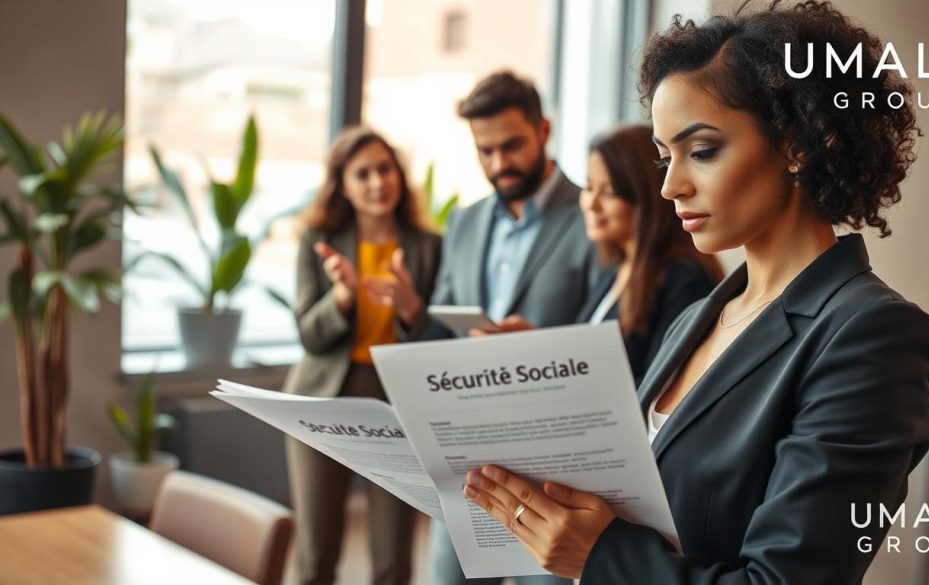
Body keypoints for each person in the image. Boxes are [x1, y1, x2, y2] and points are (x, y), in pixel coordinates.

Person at [458, 2, 929, 584]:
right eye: (665, 157)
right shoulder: (696, 318)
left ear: (796, 147)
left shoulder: (872, 335)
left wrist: (601, 558)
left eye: (703, 151)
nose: (670, 185)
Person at [404, 71, 594, 585]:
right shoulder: (463, 224)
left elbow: (613, 338)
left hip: (558, 472)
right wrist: (410, 314)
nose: (498, 164)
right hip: (470, 463)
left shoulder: (593, 215)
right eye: (484, 151)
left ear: (544, 130)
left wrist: (536, 350)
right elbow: (441, 338)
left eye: (511, 146)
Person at [283, 126, 441, 585]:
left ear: (399, 174)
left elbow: (437, 342)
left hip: (398, 403)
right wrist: (342, 296)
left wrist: (411, 307)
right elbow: (309, 336)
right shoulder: (319, 240)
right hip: (324, 399)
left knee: (393, 557)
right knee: (316, 555)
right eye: (363, 174)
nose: (377, 182)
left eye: (385, 169)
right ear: (343, 186)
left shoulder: (428, 246)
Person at [490, 124, 723, 382]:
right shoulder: (616, 269)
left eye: (609, 192)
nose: (591, 204)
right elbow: (589, 365)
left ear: (645, 198)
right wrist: (537, 347)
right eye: (589, 187)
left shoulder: (684, 279)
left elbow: (660, 388)